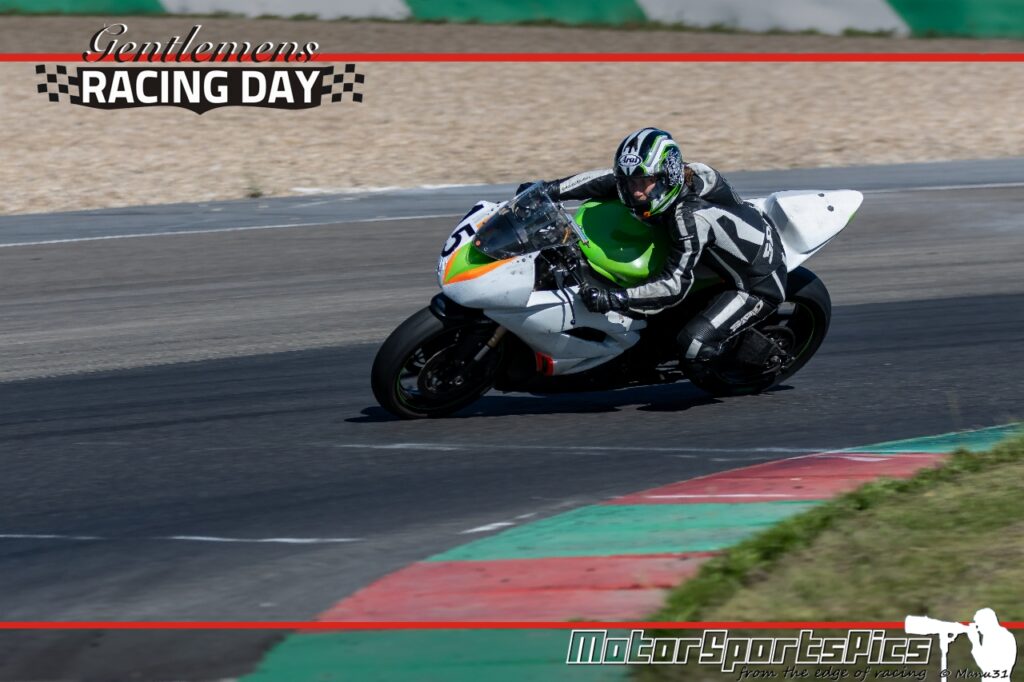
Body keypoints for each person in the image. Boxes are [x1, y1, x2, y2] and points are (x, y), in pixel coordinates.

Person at [528, 127, 787, 363]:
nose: (635, 191)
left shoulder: (690, 218)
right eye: (631, 182)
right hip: (714, 254)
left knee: (693, 345)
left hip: (757, 280)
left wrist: (615, 298)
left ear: (667, 177)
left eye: (644, 182)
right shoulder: (675, 178)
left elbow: (673, 286)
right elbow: (606, 180)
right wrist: (547, 190)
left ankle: (746, 355)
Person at [967, 608, 1017, 676]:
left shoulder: (1000, 637)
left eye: (979, 624)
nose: (978, 628)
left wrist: (975, 642)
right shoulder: (991, 636)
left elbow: (985, 665)